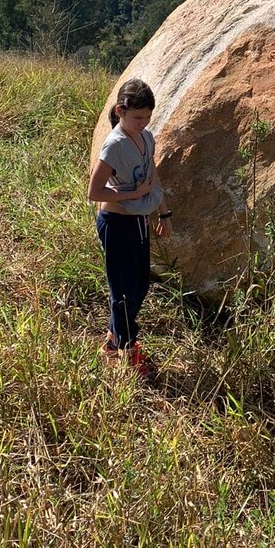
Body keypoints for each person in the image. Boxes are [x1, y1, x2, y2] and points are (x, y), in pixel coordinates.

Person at [87, 78, 173, 377]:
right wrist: (132, 195)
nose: (143, 122)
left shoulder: (146, 138)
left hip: (139, 220)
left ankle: (114, 343)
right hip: (116, 222)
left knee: (139, 285)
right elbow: (94, 192)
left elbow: (153, 173)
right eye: (138, 117)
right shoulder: (114, 145)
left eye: (148, 117)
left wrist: (164, 213)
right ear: (120, 111)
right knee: (123, 291)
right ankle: (127, 348)